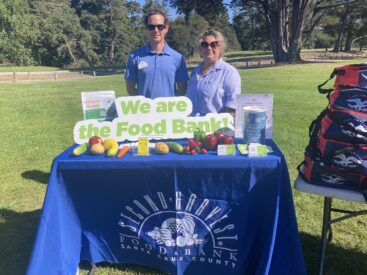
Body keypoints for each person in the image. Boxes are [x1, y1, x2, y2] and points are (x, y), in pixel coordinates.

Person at [124, 10, 189, 98]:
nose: (156, 30)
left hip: (169, 111)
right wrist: (142, 105)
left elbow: (182, 89)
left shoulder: (178, 58)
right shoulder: (134, 57)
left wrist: (170, 107)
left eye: (160, 26)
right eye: (151, 27)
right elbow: (130, 88)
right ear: (146, 29)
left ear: (166, 28)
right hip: (144, 111)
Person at [186, 30, 241, 116]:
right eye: (204, 45)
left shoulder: (229, 72)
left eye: (213, 44)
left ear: (220, 48)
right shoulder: (194, 72)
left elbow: (233, 105)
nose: (209, 48)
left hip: (217, 128)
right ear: (200, 49)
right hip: (193, 127)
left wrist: (221, 127)